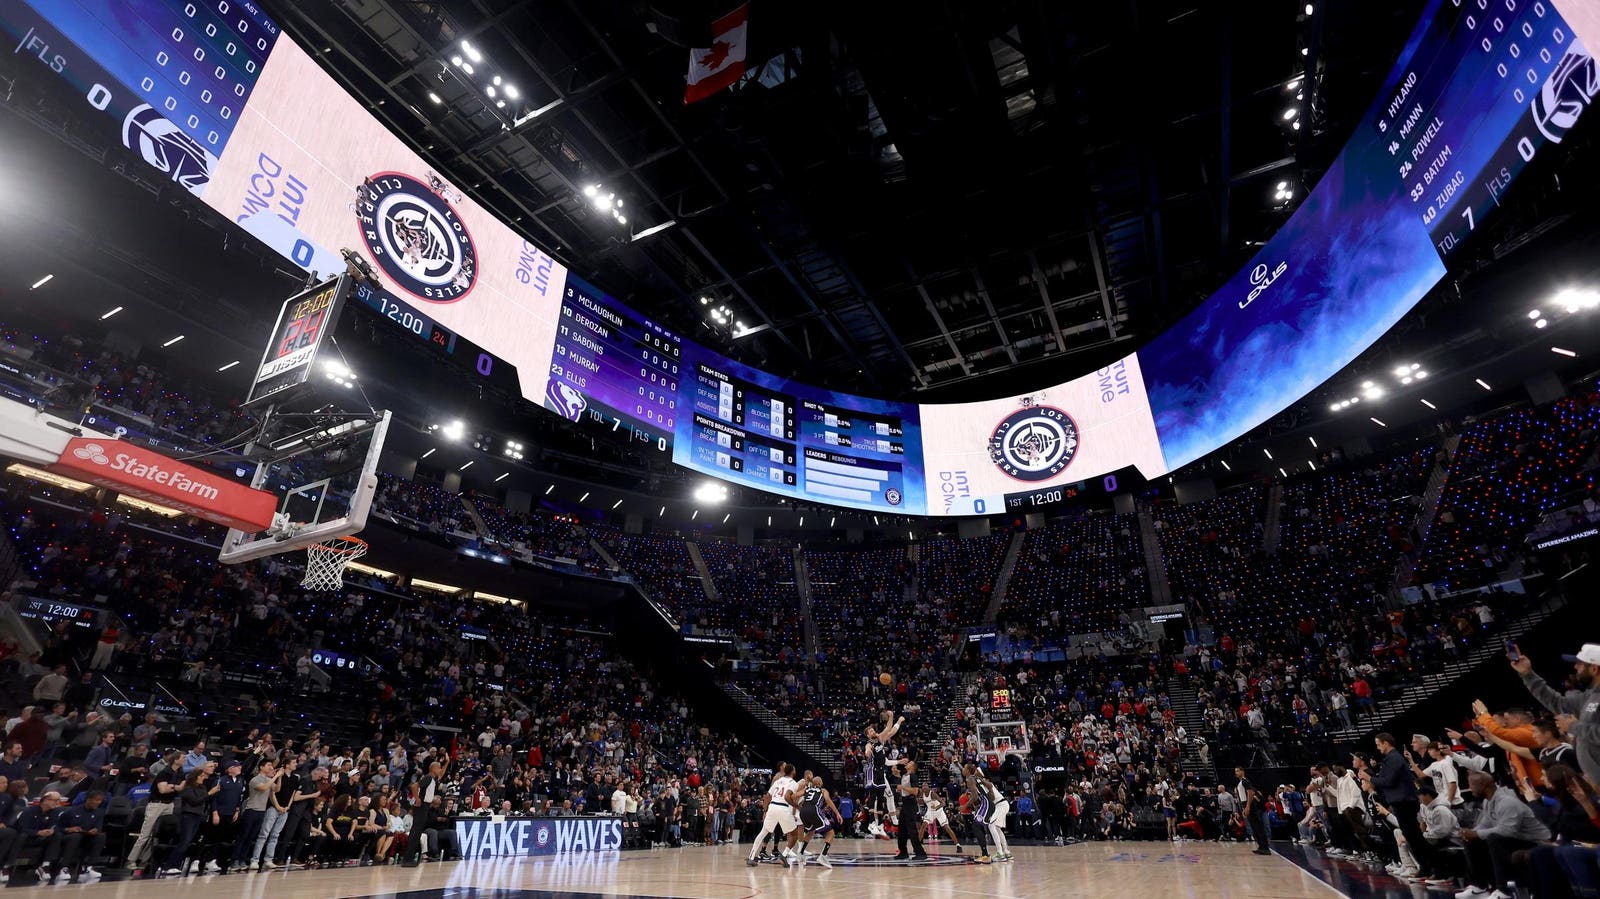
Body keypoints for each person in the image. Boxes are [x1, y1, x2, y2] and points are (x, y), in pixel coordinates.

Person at [1510, 641, 1600, 787]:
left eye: (1580, 664)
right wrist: (1527, 674)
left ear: (1594, 669)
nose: (1575, 667)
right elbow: (1556, 702)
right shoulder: (1589, 696)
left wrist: (1574, 726)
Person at [1456, 769, 1550, 898]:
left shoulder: (1507, 801)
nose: (1469, 788)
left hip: (1535, 841)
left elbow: (1507, 831)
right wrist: (1470, 833)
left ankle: (1503, 890)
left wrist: (1476, 834)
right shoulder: (1488, 800)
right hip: (1515, 838)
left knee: (1494, 839)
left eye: (1471, 785)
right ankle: (1481, 886)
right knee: (1472, 840)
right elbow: (1485, 823)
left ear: (1484, 785)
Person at [1365, 733, 1437, 881]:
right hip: (1400, 801)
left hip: (1405, 801)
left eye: (1378, 744)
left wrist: (1370, 779)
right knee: (1412, 837)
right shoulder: (1391, 759)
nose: (1377, 748)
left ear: (1386, 743)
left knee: (1415, 837)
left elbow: (1389, 781)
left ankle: (1434, 868)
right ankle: (1426, 867)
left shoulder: (1394, 758)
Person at [160, 764, 218, 876]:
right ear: (196, 777)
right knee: (184, 842)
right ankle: (169, 866)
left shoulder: (202, 787)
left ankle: (176, 865)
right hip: (188, 816)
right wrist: (210, 793)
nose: (204, 778)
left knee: (189, 842)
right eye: (202, 776)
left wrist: (208, 794)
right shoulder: (188, 787)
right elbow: (194, 801)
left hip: (198, 816)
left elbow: (202, 800)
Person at [745, 763, 800, 867]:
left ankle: (751, 858)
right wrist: (797, 807)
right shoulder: (793, 783)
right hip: (783, 808)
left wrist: (765, 811)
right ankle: (783, 855)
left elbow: (767, 796)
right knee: (794, 834)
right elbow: (788, 797)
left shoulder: (778, 781)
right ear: (792, 771)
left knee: (763, 833)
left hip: (772, 807)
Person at [54, 790, 107, 884]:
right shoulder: (71, 811)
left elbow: (98, 827)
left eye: (100, 800)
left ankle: (89, 867)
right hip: (69, 837)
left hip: (87, 837)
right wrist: (68, 829)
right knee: (76, 836)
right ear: (88, 800)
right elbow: (57, 828)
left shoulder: (99, 813)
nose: (99, 802)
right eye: (97, 800)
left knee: (101, 836)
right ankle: (63, 868)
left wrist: (95, 830)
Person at [795, 775, 843, 868]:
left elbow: (794, 796)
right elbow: (828, 800)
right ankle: (823, 856)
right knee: (830, 833)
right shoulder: (823, 790)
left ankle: (800, 853)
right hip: (814, 810)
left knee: (811, 831)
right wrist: (837, 813)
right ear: (820, 783)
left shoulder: (807, 789)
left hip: (803, 811)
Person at [892, 758, 927, 862]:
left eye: (910, 763)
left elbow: (916, 791)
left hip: (911, 803)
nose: (908, 763)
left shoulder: (913, 776)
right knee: (901, 829)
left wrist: (902, 787)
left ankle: (920, 853)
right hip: (904, 803)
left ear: (913, 767)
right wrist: (895, 764)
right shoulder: (904, 776)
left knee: (912, 829)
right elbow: (895, 771)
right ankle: (903, 852)